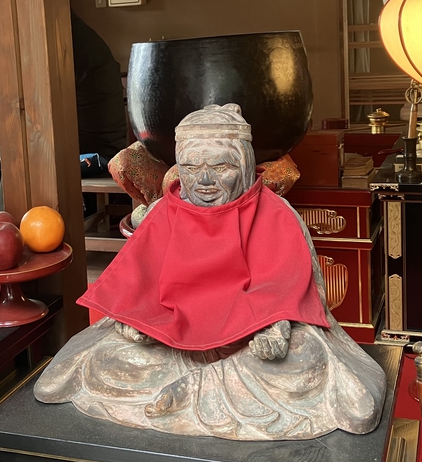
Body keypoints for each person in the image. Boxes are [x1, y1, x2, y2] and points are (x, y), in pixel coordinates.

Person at [35, 104, 386, 440]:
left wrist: (276, 323)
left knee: (305, 355)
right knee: (109, 357)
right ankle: (207, 388)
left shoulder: (275, 212)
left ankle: (195, 387)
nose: (203, 180)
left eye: (220, 167)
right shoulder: (164, 212)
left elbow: (297, 286)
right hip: (172, 335)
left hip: (249, 337)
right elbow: (137, 281)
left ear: (245, 166)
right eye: (190, 166)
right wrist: (135, 319)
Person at [0, 12, 127, 210]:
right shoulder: (69, 31)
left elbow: (28, 97)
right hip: (84, 140)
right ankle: (14, 222)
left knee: (8, 143)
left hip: (92, 152)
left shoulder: (63, 40)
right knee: (13, 145)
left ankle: (13, 221)